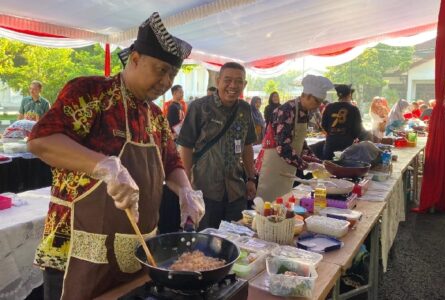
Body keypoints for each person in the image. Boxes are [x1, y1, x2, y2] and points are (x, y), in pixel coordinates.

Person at [27, 12, 205, 300]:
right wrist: (103, 166)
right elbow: (41, 140)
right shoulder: (91, 92)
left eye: (171, 74)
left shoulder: (156, 117)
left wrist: (185, 189)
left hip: (135, 254)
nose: (166, 81)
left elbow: (172, 162)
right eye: (160, 70)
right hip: (76, 249)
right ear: (134, 59)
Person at [177, 62, 257, 230]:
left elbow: (247, 145)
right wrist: (187, 186)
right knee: (205, 241)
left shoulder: (245, 109)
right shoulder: (199, 107)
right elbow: (185, 146)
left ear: (245, 84)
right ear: (218, 80)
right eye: (227, 80)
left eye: (238, 81)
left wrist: (251, 178)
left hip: (236, 191)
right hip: (205, 190)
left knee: (237, 242)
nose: (233, 86)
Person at [256, 75, 333, 202]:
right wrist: (305, 165)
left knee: (283, 204)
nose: (318, 105)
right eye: (317, 101)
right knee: (268, 205)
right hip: (274, 165)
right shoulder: (287, 110)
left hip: (288, 165)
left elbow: (299, 142)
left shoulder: (305, 112)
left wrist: (316, 161)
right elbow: (283, 147)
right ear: (306, 96)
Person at [321, 84, 364, 160]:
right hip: (347, 144)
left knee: (329, 168)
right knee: (345, 168)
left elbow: (323, 124)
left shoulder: (329, 107)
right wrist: (352, 137)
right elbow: (358, 129)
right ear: (349, 95)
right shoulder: (354, 109)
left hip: (330, 143)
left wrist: (332, 133)